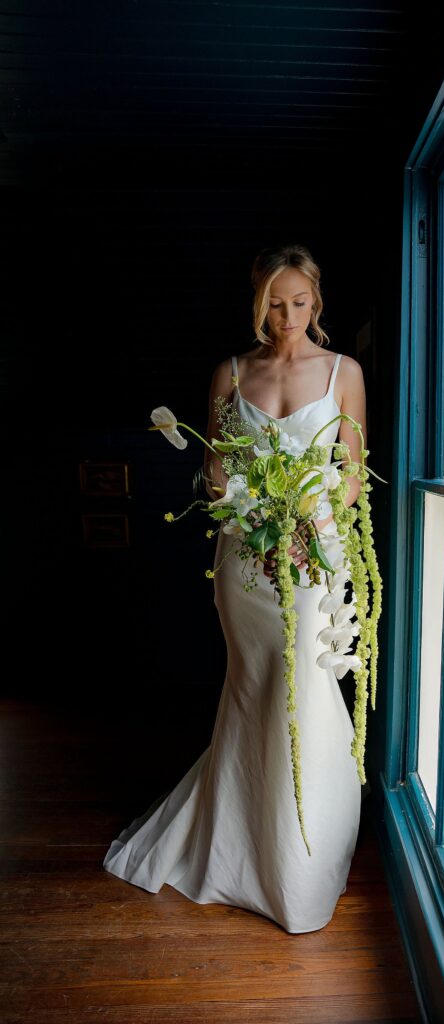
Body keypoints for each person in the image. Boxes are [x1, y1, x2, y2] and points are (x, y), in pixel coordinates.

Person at [102, 243, 368, 933]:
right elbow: (216, 477)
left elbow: (350, 474)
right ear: (258, 303)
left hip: (312, 558)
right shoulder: (229, 372)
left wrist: (309, 519)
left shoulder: (344, 372)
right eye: (274, 304)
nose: (287, 317)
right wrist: (257, 512)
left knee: (304, 691)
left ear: (317, 299)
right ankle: (242, 845)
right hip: (246, 563)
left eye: (299, 302)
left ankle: (303, 859)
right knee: (253, 691)